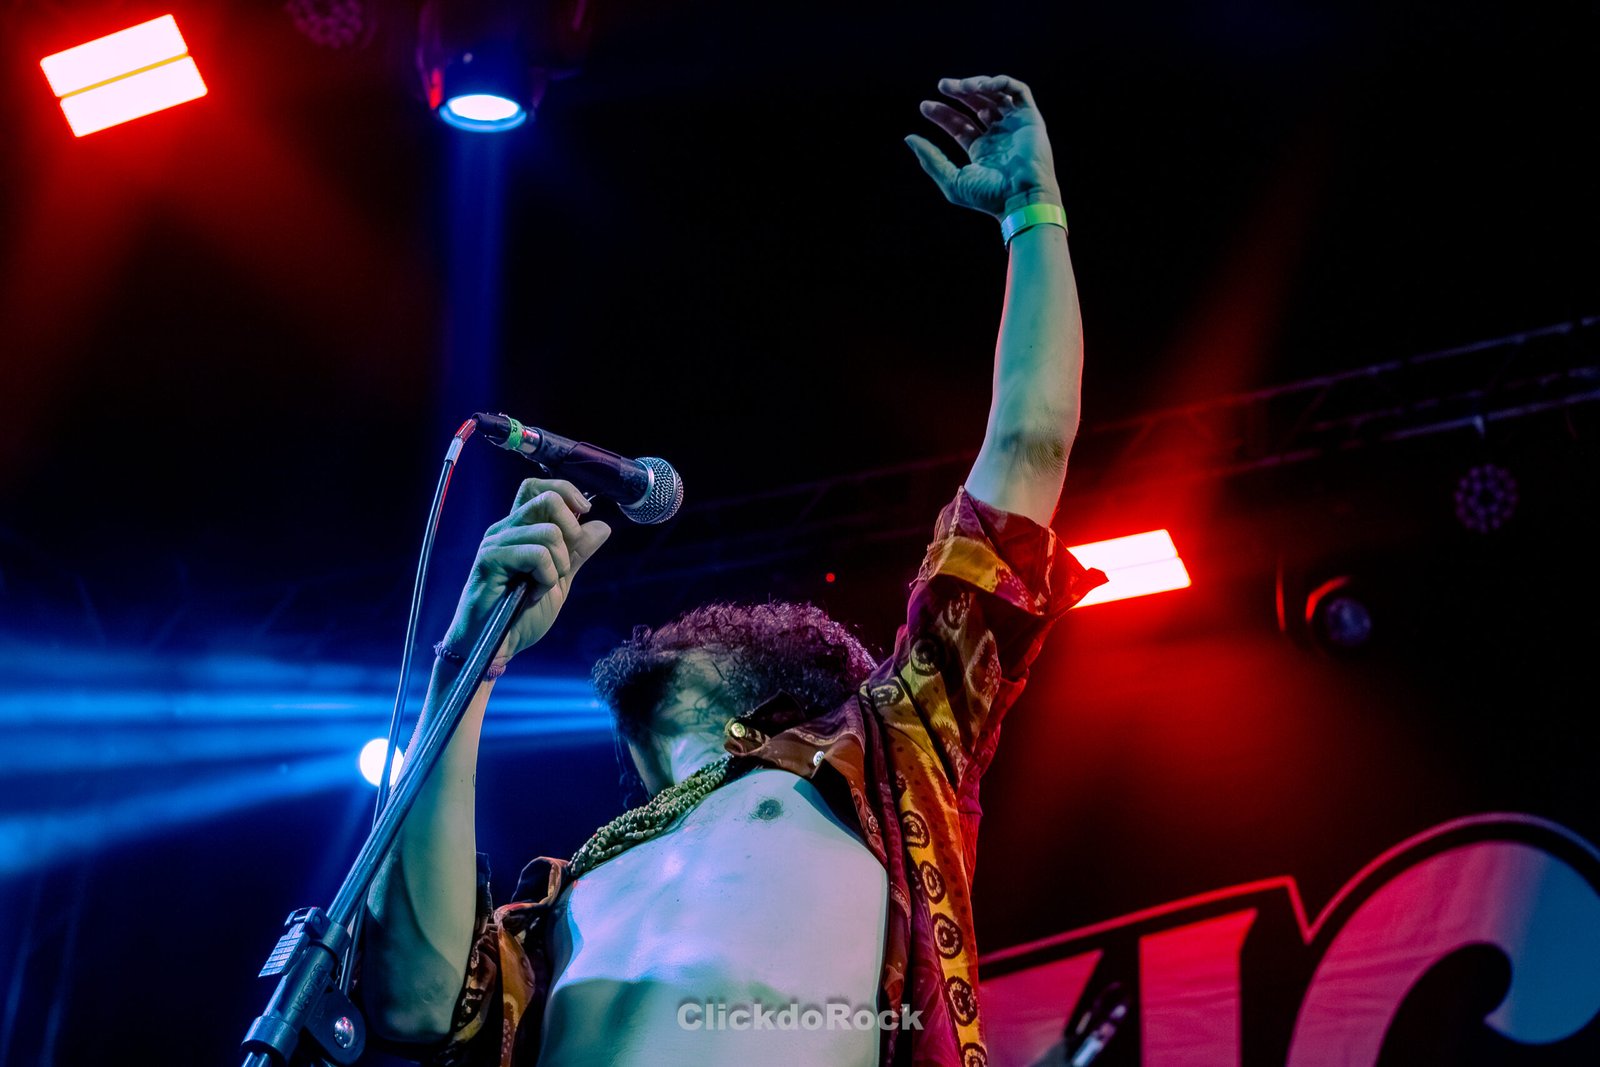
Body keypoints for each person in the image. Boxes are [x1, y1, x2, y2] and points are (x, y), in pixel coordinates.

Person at [361, 74, 1106, 1067]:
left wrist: (1032, 214)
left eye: (696, 626)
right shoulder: (557, 902)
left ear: (788, 669)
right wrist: (466, 664)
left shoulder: (886, 745)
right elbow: (413, 999)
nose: (660, 629)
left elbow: (1028, 447)